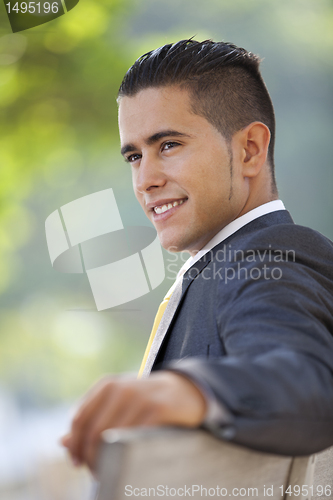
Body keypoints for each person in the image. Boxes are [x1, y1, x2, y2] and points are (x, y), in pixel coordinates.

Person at [61, 39, 333, 471]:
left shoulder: (272, 256)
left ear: (249, 150)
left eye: (168, 145)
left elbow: (308, 385)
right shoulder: (216, 266)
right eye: (134, 155)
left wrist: (183, 391)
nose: (145, 180)